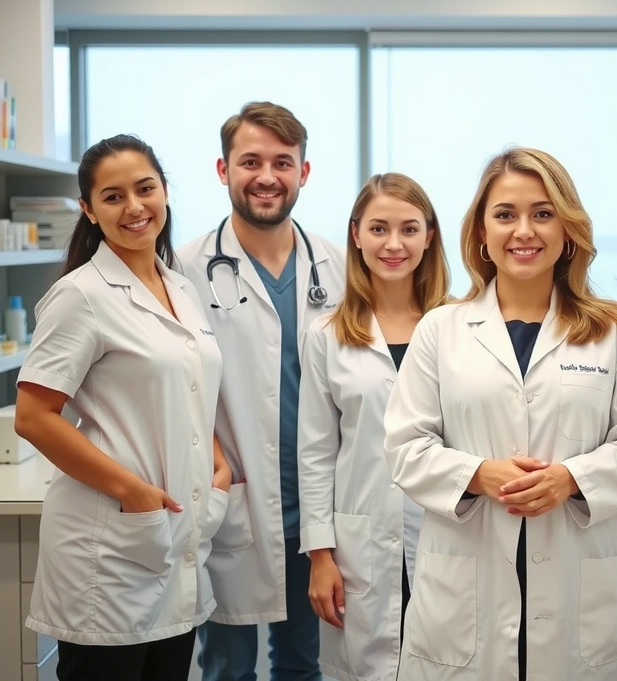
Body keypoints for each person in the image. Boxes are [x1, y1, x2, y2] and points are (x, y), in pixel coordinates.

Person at [383, 147, 617, 681]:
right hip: (467, 581)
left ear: (567, 230)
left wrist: (571, 479)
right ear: (482, 234)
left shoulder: (608, 331)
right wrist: (478, 475)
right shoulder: (441, 330)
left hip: (575, 578)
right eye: (506, 215)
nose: (524, 231)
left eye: (542, 213)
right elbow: (404, 445)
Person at [13, 135, 228, 681]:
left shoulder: (180, 285)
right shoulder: (81, 295)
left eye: (145, 188)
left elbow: (192, 384)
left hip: (173, 538)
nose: (134, 207)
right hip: (111, 548)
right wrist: (131, 492)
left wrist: (219, 465)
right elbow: (34, 417)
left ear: (164, 192)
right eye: (112, 196)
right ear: (88, 209)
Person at [178, 102, 346, 681]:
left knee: (306, 665)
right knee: (226, 669)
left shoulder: (341, 265)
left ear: (304, 171)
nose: (267, 176)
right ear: (223, 171)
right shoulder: (183, 270)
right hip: (233, 503)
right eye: (250, 161)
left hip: (317, 512)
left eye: (282, 161)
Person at [297, 173, 450, 680]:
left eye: (409, 229)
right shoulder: (326, 335)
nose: (393, 244)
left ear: (429, 236)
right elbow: (316, 452)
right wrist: (320, 556)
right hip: (360, 544)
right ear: (356, 234)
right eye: (379, 228)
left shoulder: (461, 328)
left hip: (448, 535)